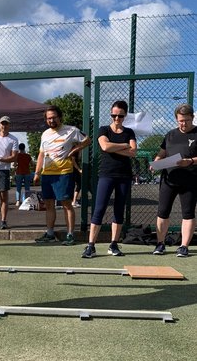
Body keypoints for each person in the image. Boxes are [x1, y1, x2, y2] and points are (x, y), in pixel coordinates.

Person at [82, 101, 136, 258]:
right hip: (106, 174)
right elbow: (104, 147)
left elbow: (133, 152)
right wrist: (124, 145)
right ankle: (91, 245)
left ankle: (113, 244)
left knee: (119, 210)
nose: (117, 118)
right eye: (114, 115)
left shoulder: (129, 132)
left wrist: (115, 148)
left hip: (124, 176)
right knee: (99, 209)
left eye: (120, 116)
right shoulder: (103, 129)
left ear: (125, 115)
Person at [33, 105, 90, 245]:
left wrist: (74, 150)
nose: (51, 120)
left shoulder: (71, 130)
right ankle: (50, 234)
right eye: (49, 118)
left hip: (63, 173)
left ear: (60, 117)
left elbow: (87, 140)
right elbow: (41, 154)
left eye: (54, 117)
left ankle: (70, 235)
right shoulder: (45, 134)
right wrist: (37, 173)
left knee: (66, 204)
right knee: (49, 204)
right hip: (47, 174)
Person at [151, 103, 197, 258]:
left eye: (186, 120)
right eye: (180, 121)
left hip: (190, 180)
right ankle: (160, 244)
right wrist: (156, 162)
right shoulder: (170, 135)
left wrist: (190, 161)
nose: (183, 124)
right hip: (169, 180)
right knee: (162, 212)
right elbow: (162, 153)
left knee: (188, 213)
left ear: (192, 117)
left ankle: (184, 246)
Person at [0, 116, 18, 229]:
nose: (4, 126)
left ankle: (3, 221)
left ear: (9, 125)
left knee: (3, 197)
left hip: (4, 170)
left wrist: (0, 159)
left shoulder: (13, 139)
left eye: (6, 124)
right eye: (2, 123)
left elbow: (14, 157)